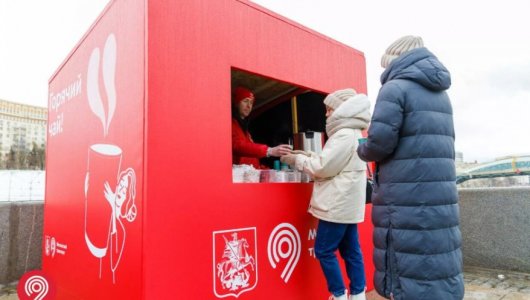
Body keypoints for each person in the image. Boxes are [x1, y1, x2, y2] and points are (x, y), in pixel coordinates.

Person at [357, 35, 464, 300]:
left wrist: (361, 147)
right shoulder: (441, 94)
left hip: (403, 196)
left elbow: (379, 144)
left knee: (407, 260)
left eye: (385, 65)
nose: (384, 71)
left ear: (396, 59)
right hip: (438, 195)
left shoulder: (394, 88)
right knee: (436, 257)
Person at [281, 88, 371, 300]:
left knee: (323, 250)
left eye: (329, 109)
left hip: (336, 204)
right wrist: (307, 154)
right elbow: (332, 162)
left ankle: (338, 294)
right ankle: (358, 294)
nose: (326, 114)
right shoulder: (354, 132)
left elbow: (323, 168)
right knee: (351, 252)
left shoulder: (343, 134)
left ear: (342, 109)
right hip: (348, 203)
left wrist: (297, 160)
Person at [231, 86, 292, 169]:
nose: (249, 106)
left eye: (251, 103)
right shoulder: (229, 123)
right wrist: (269, 150)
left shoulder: (245, 129)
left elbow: (250, 158)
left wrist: (263, 170)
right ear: (236, 103)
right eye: (245, 101)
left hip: (249, 175)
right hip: (237, 176)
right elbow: (237, 146)